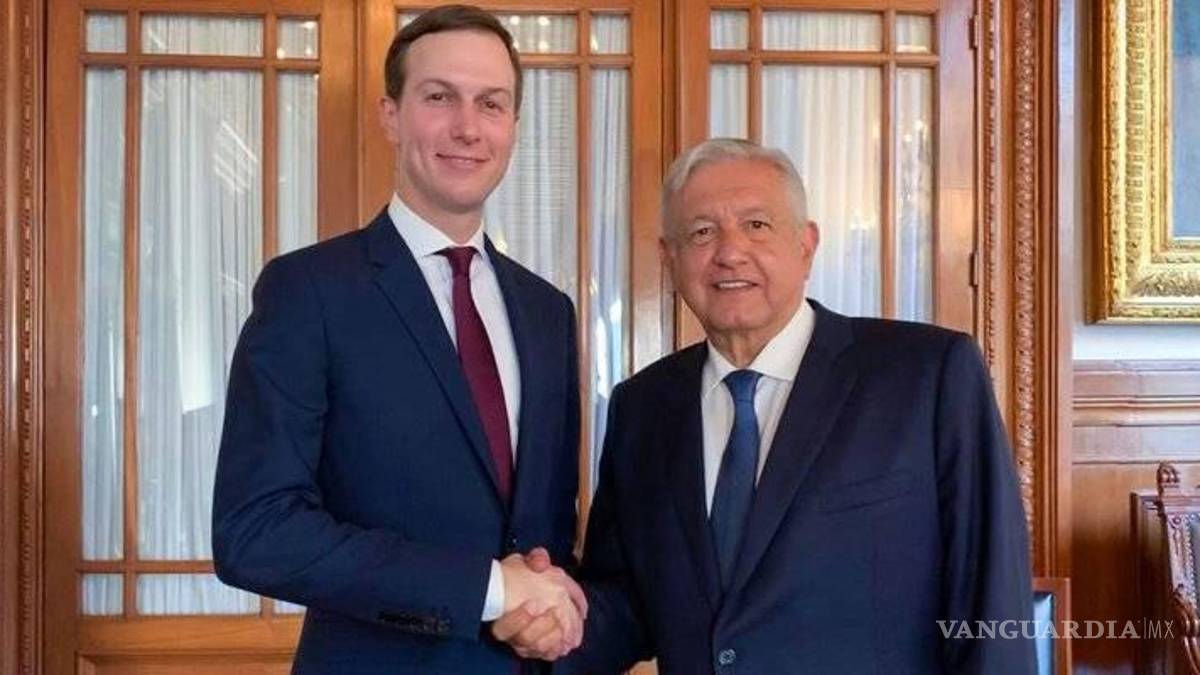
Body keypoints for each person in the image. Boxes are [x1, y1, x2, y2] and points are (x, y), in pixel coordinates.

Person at [497, 138, 1036, 673]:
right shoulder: (644, 407)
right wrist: (549, 616)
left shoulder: (926, 375)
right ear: (669, 258)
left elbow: (991, 599)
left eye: (756, 225)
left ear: (806, 245)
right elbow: (630, 602)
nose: (730, 252)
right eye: (702, 232)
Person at [212, 5, 586, 673]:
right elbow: (256, 531)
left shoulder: (547, 312)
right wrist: (488, 589)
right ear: (390, 115)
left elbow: (546, 533)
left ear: (514, 126)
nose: (468, 126)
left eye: (491, 103)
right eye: (439, 97)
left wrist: (547, 608)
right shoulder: (309, 291)